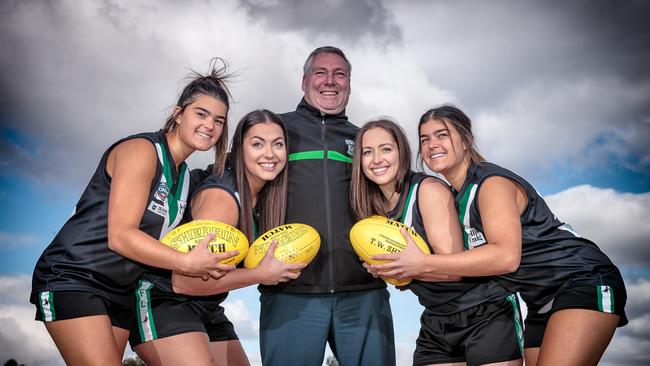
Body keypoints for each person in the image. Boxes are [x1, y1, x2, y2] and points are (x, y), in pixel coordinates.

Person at [372, 105, 628, 366]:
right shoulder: (452, 196)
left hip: (581, 280)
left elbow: (506, 257)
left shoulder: (491, 183)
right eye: (425, 139)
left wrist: (422, 263)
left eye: (442, 135)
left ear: (466, 139)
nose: (432, 145)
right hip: (538, 300)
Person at [30, 60, 237, 365]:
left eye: (219, 121)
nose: (210, 126)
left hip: (123, 289)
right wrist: (186, 263)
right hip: (75, 276)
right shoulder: (141, 151)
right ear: (177, 114)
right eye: (201, 114)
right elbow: (120, 236)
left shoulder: (187, 178)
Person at [129, 109, 304, 366]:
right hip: (164, 299)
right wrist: (260, 274)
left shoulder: (265, 199)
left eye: (278, 144)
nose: (270, 153)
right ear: (239, 150)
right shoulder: (222, 199)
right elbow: (184, 283)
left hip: (207, 306)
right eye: (257, 144)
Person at [258, 46, 396, 365]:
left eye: (340, 74)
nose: (330, 81)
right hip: (290, 291)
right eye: (321, 72)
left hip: (364, 290)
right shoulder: (276, 131)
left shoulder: (364, 140)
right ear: (305, 80)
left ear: (349, 82)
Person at [351, 119, 523, 366]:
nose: (376, 159)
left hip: (485, 309)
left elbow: (451, 271)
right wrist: (387, 270)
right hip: (437, 316)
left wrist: (405, 267)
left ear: (402, 153)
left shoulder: (428, 189)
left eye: (386, 149)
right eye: (367, 152)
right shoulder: (372, 210)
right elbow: (408, 274)